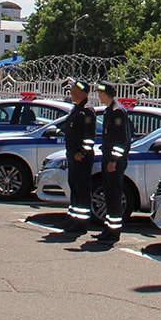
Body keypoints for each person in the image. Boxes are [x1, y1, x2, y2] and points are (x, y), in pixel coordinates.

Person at [95, 81, 130, 244]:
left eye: (100, 93)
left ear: (105, 94)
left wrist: (114, 160)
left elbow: (122, 140)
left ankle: (114, 231)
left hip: (114, 161)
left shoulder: (118, 112)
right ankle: (108, 228)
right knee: (109, 195)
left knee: (114, 195)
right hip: (108, 157)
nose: (98, 96)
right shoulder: (109, 111)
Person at [62, 80, 97, 232]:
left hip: (81, 158)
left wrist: (82, 153)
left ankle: (81, 223)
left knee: (82, 189)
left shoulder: (86, 111)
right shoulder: (76, 109)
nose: (71, 93)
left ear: (82, 92)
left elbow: (89, 137)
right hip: (72, 155)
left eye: (74, 91)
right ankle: (73, 218)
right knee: (74, 187)